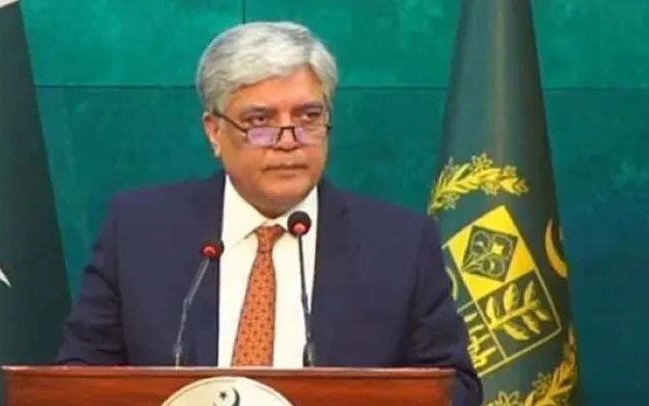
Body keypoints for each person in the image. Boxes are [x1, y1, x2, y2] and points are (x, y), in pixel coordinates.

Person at [56, 21, 482, 405]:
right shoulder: (139, 231)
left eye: (308, 117)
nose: (288, 140)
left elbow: (454, 388)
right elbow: (79, 378)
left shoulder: (400, 244)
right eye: (260, 121)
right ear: (214, 131)